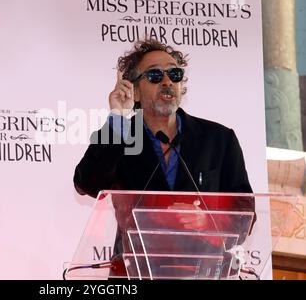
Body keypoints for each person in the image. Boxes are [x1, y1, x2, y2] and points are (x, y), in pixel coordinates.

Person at [72, 39, 256, 277]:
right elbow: (87, 183)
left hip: (203, 273)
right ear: (135, 90)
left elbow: (244, 211)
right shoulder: (121, 138)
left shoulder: (218, 139)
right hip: (136, 274)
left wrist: (208, 221)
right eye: (155, 75)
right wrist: (118, 117)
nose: (168, 81)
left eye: (175, 74)